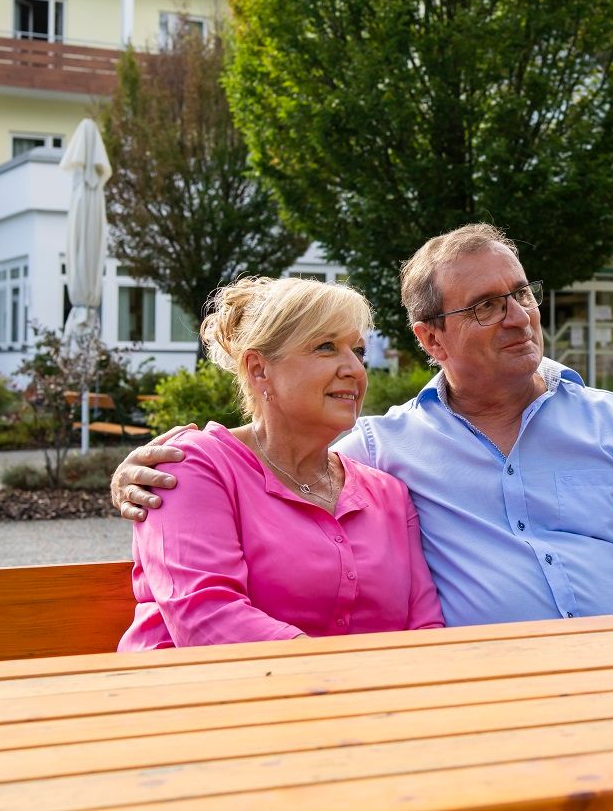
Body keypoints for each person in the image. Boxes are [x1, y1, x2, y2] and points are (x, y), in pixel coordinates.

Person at [113, 224, 613, 627]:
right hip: (481, 704)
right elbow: (274, 458)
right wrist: (143, 470)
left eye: (522, 294)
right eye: (486, 306)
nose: (519, 318)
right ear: (431, 338)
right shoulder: (384, 452)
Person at [116, 275, 443, 649]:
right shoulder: (192, 466)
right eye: (325, 347)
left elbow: (425, 625)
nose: (354, 368)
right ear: (258, 370)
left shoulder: (388, 493)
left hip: (361, 703)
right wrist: (345, 680)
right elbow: (206, 616)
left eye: (358, 351)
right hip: (203, 699)